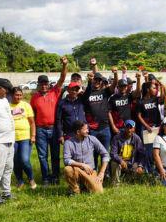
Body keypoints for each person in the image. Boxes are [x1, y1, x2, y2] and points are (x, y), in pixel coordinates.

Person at [30, 57, 69, 185]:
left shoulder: (55, 92)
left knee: (55, 155)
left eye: (46, 83)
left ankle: (55, 176)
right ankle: (46, 178)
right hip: (41, 129)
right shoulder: (34, 98)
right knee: (42, 156)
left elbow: (62, 78)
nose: (44, 85)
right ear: (38, 85)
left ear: (48, 84)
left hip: (54, 129)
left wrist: (64, 65)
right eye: (41, 84)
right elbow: (33, 115)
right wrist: (34, 133)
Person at [62, 120, 109, 194]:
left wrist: (102, 172)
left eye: (88, 129)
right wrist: (82, 165)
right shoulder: (68, 143)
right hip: (77, 170)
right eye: (85, 129)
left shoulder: (92, 139)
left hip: (90, 172)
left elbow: (105, 154)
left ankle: (84, 186)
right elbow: (66, 160)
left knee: (99, 192)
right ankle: (75, 191)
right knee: (67, 169)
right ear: (78, 132)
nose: (88, 131)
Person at [10, 86, 36, 189]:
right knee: (15, 161)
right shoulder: (7, 106)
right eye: (16, 95)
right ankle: (20, 181)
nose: (19, 97)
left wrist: (33, 135)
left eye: (20, 95)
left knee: (24, 160)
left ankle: (31, 178)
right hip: (12, 138)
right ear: (12, 95)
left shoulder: (26, 105)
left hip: (25, 137)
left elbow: (32, 122)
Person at [84, 74, 114, 166]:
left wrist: (115, 74)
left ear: (101, 82)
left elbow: (114, 85)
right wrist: (89, 81)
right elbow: (86, 94)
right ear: (92, 81)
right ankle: (94, 173)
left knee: (105, 153)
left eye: (99, 80)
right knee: (93, 154)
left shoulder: (104, 92)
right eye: (95, 80)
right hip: (93, 130)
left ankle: (105, 174)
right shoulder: (87, 93)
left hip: (105, 128)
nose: (97, 81)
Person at [136, 77, 165, 148]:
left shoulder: (155, 99)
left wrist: (161, 86)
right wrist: (147, 126)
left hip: (157, 126)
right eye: (154, 88)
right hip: (146, 128)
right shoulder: (140, 102)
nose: (155, 90)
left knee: (158, 146)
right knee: (148, 148)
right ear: (148, 90)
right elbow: (139, 116)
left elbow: (162, 98)